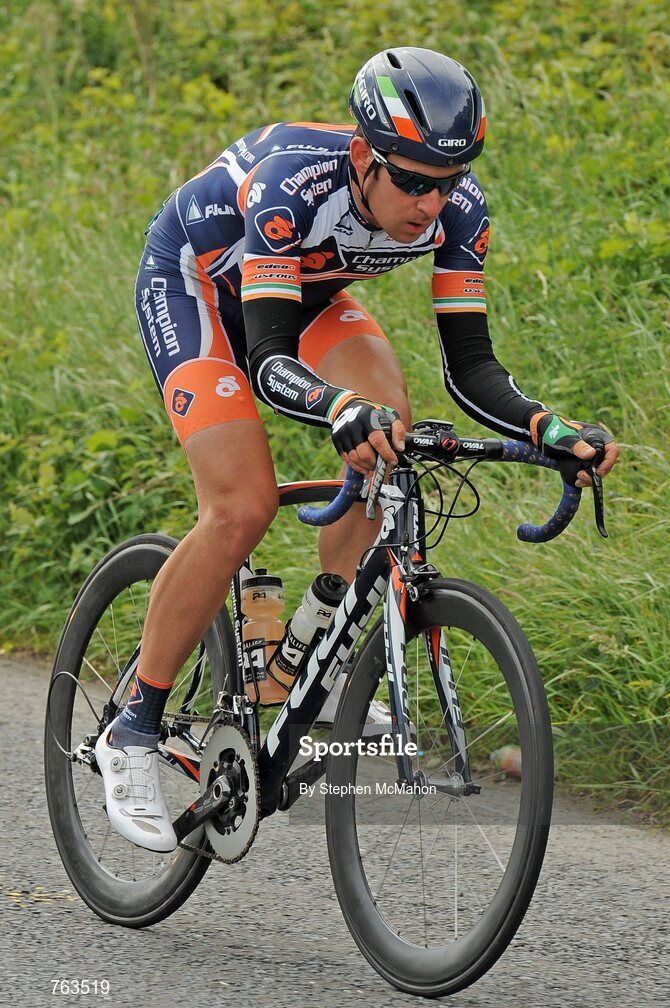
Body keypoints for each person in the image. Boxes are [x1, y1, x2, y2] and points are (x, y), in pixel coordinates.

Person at [96, 47, 619, 852]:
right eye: (411, 180)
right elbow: (269, 361)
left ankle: (306, 642)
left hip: (305, 292)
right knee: (242, 506)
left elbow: (470, 366)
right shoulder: (290, 184)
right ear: (365, 156)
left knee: (392, 422)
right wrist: (336, 405)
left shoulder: (459, 209)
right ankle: (133, 729)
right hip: (198, 286)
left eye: (446, 180)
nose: (429, 201)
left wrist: (548, 427)